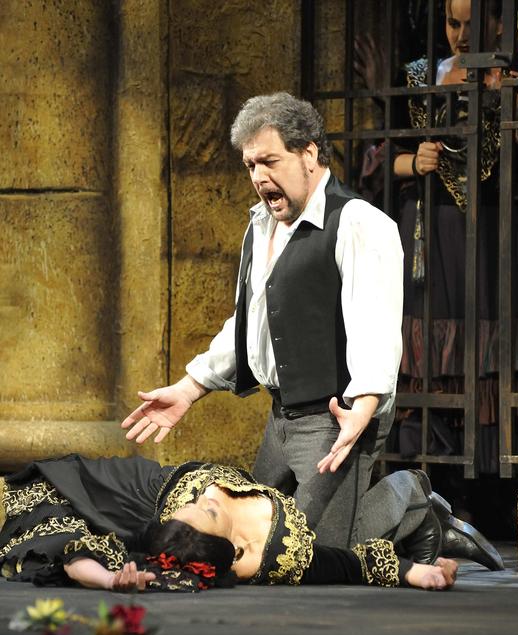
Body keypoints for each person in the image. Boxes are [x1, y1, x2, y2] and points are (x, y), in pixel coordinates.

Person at [121, 91, 404, 548]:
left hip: (336, 417)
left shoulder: (358, 223)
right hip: (281, 418)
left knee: (311, 552)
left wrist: (365, 405)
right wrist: (189, 388)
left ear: (308, 153)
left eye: (269, 161)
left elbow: (375, 324)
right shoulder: (262, 225)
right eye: (250, 165)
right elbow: (252, 322)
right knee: (252, 541)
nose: (258, 177)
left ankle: (415, 499)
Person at [393, 0, 518, 495]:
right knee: (435, 357)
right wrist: (414, 160)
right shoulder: (422, 76)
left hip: (501, 231)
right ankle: (437, 485)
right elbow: (381, 152)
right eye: (451, 22)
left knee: (494, 352)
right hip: (434, 233)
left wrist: (516, 103)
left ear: (499, 23)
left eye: (471, 24)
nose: (458, 35)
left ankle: (499, 489)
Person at [0, 453, 504, 594]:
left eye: (196, 501)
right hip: (120, 506)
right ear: (231, 550)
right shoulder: (264, 560)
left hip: (121, 483)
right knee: (343, 537)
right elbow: (337, 564)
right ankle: (422, 510)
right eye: (208, 510)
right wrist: (412, 572)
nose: (207, 494)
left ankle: (427, 516)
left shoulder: (172, 519)